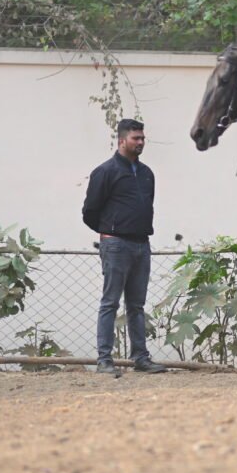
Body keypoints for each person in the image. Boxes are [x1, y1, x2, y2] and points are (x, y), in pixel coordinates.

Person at [82, 118, 167, 375]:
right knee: (110, 303)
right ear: (122, 140)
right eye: (135, 138)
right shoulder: (105, 172)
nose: (141, 142)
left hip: (142, 245)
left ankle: (141, 358)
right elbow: (89, 212)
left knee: (137, 306)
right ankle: (104, 360)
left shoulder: (147, 174)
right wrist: (110, 232)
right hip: (116, 245)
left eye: (142, 138)